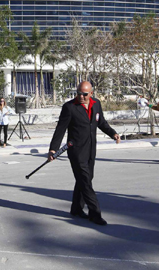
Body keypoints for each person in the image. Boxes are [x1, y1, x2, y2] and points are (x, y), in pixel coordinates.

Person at [48, 81, 120, 226]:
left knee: (86, 178)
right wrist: (53, 149)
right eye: (78, 93)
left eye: (84, 94)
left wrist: (113, 133)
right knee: (86, 181)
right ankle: (95, 213)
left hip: (91, 149)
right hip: (76, 151)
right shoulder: (69, 107)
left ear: (91, 94)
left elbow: (101, 123)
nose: (81, 96)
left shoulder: (96, 104)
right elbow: (60, 129)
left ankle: (76, 208)